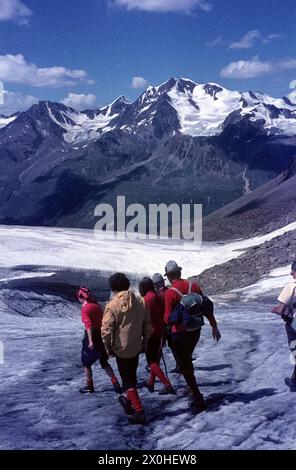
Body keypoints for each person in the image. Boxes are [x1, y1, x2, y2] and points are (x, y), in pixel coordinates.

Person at [163, 260, 221, 413]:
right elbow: (205, 307)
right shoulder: (194, 286)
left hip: (179, 333)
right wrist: (214, 326)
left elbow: (167, 318)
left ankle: (197, 397)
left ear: (169, 276)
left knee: (184, 364)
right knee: (187, 359)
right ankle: (191, 387)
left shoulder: (170, 293)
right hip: (195, 330)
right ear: (180, 272)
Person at [101, 273, 152, 425]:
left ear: (113, 288)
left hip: (120, 349)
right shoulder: (140, 301)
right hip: (137, 346)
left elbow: (106, 330)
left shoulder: (111, 306)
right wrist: (145, 342)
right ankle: (127, 401)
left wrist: (108, 347)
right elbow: (147, 325)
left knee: (128, 381)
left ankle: (139, 411)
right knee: (132, 375)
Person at [77, 287, 122, 395]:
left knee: (86, 363)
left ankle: (89, 385)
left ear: (81, 297)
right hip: (101, 335)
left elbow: (88, 325)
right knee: (104, 361)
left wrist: (91, 340)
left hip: (92, 336)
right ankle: (115, 382)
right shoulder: (96, 305)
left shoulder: (86, 308)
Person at [139, 277, 175, 395]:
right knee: (155, 359)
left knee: (151, 362)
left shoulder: (145, 300)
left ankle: (167, 384)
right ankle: (151, 382)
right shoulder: (158, 296)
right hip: (160, 331)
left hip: (150, 333)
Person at [271, 260, 296, 392]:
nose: (291, 273)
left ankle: (295, 382)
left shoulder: (291, 286)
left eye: (292, 271)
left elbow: (280, 309)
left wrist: (273, 309)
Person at [153, 272, 181, 374]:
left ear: (156, 285)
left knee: (160, 346)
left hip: (164, 324)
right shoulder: (170, 291)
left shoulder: (158, 296)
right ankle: (179, 365)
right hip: (174, 323)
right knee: (173, 346)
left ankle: (154, 367)